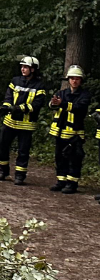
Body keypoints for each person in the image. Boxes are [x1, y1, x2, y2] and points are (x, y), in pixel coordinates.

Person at [0, 55, 47, 185]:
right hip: (10, 122)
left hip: (26, 124)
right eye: (22, 67)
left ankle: (20, 175)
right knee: (2, 146)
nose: (23, 69)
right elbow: (8, 97)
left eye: (26, 67)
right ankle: (3, 171)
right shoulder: (15, 81)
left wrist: (19, 108)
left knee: (23, 151)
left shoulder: (39, 85)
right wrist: (5, 107)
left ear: (33, 69)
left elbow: (36, 105)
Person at [49, 66, 89, 195]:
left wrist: (62, 104)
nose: (74, 81)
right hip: (60, 132)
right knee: (59, 157)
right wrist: (53, 103)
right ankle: (61, 181)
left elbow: (79, 108)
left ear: (81, 80)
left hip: (75, 134)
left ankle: (72, 183)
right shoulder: (62, 93)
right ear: (68, 80)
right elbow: (52, 105)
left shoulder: (84, 95)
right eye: (72, 78)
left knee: (74, 159)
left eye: (77, 79)